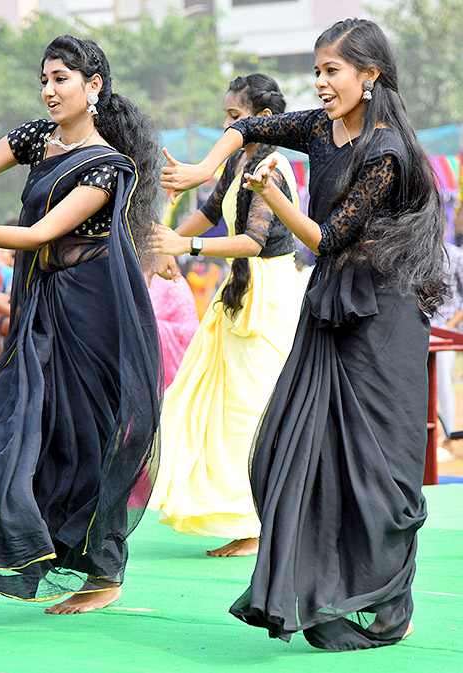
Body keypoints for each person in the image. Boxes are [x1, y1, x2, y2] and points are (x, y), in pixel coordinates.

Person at [160, 18, 446, 650]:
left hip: (382, 317)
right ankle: (319, 591)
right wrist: (207, 165)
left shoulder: (387, 151)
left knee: (378, 474)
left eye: (332, 71)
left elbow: (327, 236)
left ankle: (379, 601)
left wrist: (269, 192)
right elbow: (249, 126)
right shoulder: (319, 128)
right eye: (316, 70)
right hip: (329, 310)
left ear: (369, 76)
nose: (319, 82)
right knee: (283, 453)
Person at [0, 34, 161, 614]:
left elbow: (40, 234)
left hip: (91, 308)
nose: (50, 91)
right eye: (44, 80)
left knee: (87, 436)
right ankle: (28, 545)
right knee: (18, 421)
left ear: (93, 86)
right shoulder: (35, 137)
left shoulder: (108, 166)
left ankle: (104, 574)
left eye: (62, 79)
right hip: (41, 302)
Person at [150, 74, 302, 557]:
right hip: (236, 294)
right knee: (198, 399)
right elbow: (211, 211)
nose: (225, 125)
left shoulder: (272, 168)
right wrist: (166, 244)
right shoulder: (240, 158)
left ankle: (259, 523)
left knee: (250, 411)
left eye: (233, 118)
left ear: (261, 120)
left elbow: (254, 242)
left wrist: (186, 245)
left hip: (268, 298)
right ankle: (244, 518)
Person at [431, 240, 463, 461]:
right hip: (422, 327)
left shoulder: (455, 255)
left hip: (445, 329)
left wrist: (449, 326)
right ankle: (431, 438)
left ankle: (450, 439)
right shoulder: (419, 251)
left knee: (443, 382)